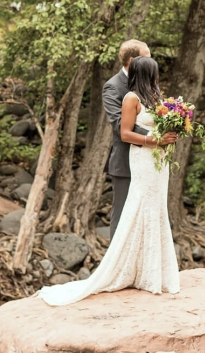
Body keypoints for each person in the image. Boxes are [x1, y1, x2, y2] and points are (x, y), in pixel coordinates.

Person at [38, 55, 180, 306]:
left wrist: (172, 131)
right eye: (155, 73)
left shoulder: (156, 98)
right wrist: (155, 141)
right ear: (146, 74)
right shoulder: (131, 98)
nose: (158, 77)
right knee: (140, 207)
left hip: (159, 162)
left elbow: (160, 125)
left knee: (157, 208)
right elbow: (125, 133)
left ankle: (153, 271)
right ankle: (130, 270)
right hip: (143, 157)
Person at [102, 40, 177, 235]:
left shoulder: (152, 86)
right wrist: (155, 137)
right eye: (147, 56)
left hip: (152, 161)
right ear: (134, 60)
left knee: (150, 213)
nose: (151, 60)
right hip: (127, 160)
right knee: (123, 215)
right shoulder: (113, 87)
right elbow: (120, 126)